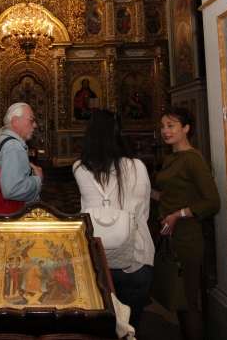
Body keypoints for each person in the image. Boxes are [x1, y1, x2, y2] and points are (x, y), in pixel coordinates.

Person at [73, 110, 154, 333]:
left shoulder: (80, 168)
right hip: (136, 256)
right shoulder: (138, 167)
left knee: (101, 328)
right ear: (119, 133)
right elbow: (144, 212)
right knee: (130, 328)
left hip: (98, 259)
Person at [153, 106, 220, 340]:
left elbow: (212, 202)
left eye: (171, 125)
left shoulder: (193, 159)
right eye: (163, 126)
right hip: (170, 236)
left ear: (186, 128)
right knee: (178, 300)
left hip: (186, 237)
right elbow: (170, 196)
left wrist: (177, 215)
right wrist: (146, 191)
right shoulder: (171, 158)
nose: (165, 130)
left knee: (188, 302)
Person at [0, 102, 44, 205]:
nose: (35, 125)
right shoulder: (14, 147)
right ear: (16, 121)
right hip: (9, 212)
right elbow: (13, 189)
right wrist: (38, 179)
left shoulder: (4, 139)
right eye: (31, 120)